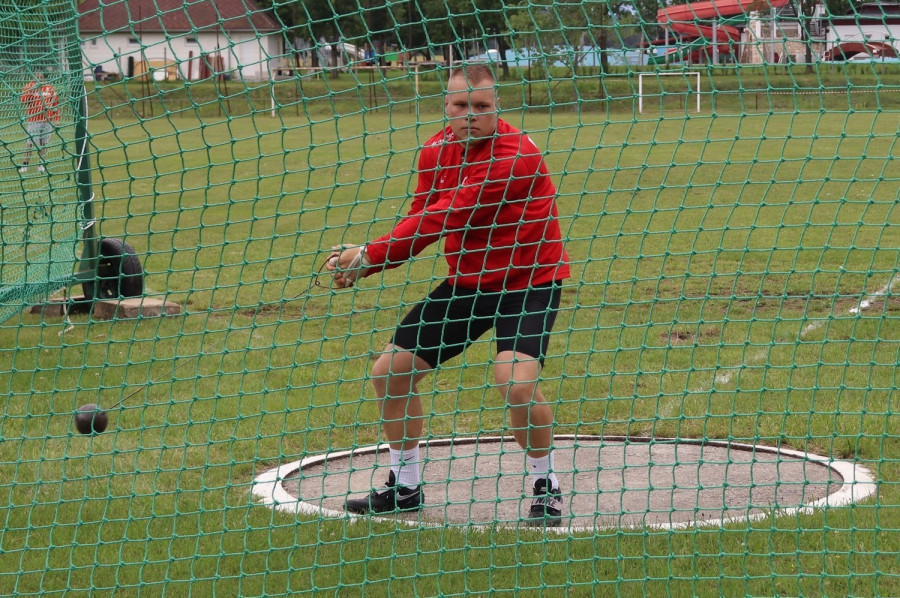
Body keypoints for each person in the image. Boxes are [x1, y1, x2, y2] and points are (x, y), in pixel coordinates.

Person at [326, 64, 571, 526]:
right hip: (468, 284)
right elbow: (421, 213)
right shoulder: (435, 150)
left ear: (497, 108)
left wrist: (368, 256)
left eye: (482, 106)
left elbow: (445, 218)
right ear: (447, 108)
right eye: (461, 106)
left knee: (516, 384)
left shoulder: (514, 155)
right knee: (390, 374)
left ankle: (547, 485)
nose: (471, 115)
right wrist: (373, 261)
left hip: (528, 284)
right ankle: (406, 487)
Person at [19, 71, 59, 174]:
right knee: (30, 143)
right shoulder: (28, 87)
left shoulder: (49, 88)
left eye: (41, 77)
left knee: (44, 143)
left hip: (47, 120)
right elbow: (23, 100)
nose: (39, 78)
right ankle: (24, 165)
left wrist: (56, 118)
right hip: (34, 120)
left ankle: (41, 165)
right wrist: (33, 90)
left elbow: (55, 104)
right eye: (37, 76)